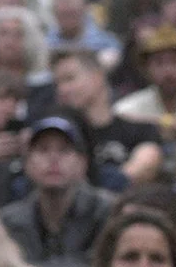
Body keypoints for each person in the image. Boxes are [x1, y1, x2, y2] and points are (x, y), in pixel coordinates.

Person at [0, 114, 115, 267]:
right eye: (42, 150)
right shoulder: (10, 219)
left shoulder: (107, 210)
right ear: (27, 164)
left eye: (64, 150)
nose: (53, 159)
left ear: (82, 163)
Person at [50, 48, 162, 190]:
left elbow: (145, 167)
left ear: (98, 77)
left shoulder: (141, 130)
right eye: (57, 83)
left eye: (69, 78)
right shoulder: (56, 135)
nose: (62, 89)